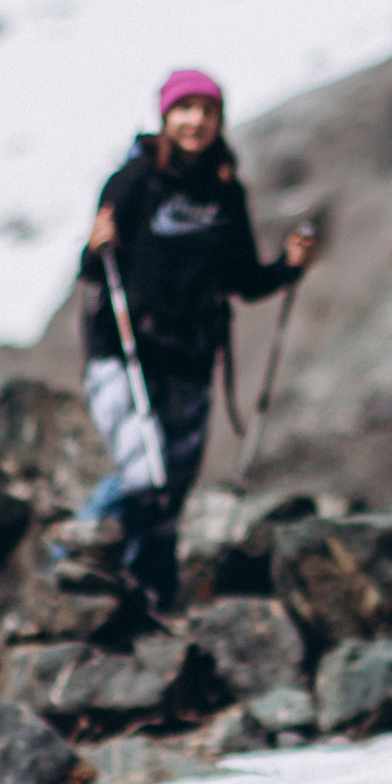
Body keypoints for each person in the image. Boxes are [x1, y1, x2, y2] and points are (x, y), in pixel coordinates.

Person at [74, 68, 315, 610]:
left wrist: (288, 269)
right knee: (142, 472)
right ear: (165, 118)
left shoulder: (225, 193)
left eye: (207, 111)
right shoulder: (135, 182)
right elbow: (94, 269)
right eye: (185, 110)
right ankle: (74, 559)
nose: (196, 122)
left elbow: (243, 279)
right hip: (128, 353)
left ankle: (151, 593)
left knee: (172, 490)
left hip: (193, 357)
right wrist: (95, 246)